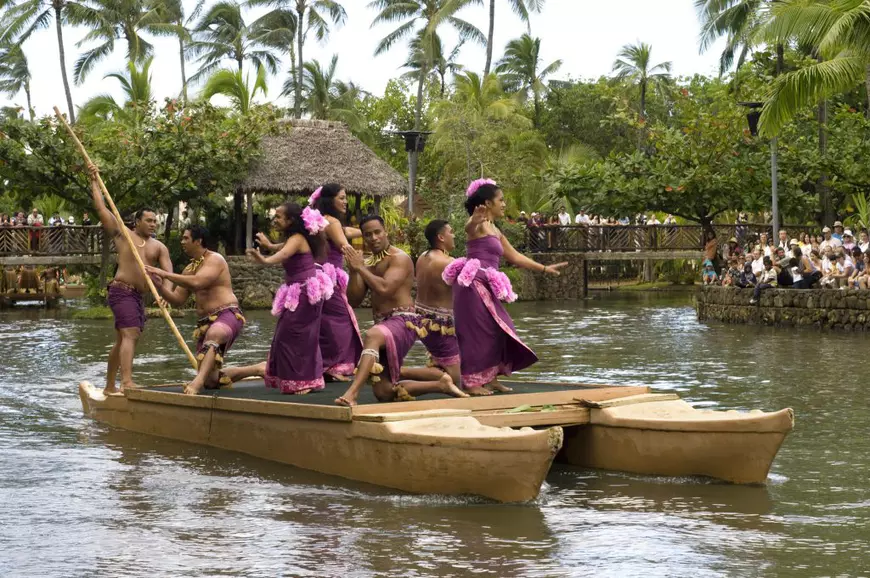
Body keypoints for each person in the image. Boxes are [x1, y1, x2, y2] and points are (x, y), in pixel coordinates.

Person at [445, 178, 566, 396]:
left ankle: (490, 378)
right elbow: (468, 228)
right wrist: (474, 219)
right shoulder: (478, 225)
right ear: (487, 203)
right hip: (472, 285)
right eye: (500, 200)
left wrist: (544, 268)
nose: (504, 204)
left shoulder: (495, 230)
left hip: (487, 286)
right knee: (478, 334)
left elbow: (515, 257)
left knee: (501, 330)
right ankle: (472, 382)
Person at [335, 215, 466, 407]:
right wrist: (355, 271)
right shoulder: (368, 264)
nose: (373, 238)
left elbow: (386, 288)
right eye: (368, 235)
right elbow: (354, 300)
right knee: (384, 392)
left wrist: (361, 269)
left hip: (404, 320)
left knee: (372, 335)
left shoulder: (400, 258)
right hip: (383, 324)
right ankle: (440, 385)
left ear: (385, 231)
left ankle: (352, 394)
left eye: (377, 232)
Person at [223, 203, 334, 394]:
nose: (275, 220)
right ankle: (303, 379)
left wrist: (264, 259)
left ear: (291, 221)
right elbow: (281, 247)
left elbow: (282, 254)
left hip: (305, 293)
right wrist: (268, 246)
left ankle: (303, 381)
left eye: (279, 217)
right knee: (292, 336)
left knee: (294, 336)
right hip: (300, 291)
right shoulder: (294, 238)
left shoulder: (298, 238)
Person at [86, 163, 172, 395]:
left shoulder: (159, 247)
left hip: (138, 296)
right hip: (121, 290)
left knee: (123, 338)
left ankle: (109, 385)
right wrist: (94, 181)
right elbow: (102, 210)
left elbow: (169, 275)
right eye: (149, 220)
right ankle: (126, 383)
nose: (153, 224)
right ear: (138, 222)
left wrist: (168, 297)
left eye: (155, 221)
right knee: (130, 333)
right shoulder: (124, 235)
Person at [145, 226, 245, 395]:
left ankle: (196, 383)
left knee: (215, 334)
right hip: (205, 323)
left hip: (227, 315)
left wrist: (165, 274)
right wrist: (160, 285)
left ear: (198, 241)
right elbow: (177, 300)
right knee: (211, 380)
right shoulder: (189, 269)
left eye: (185, 238)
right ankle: (258, 369)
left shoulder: (215, 259)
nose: (182, 242)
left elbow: (198, 282)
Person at [306, 183, 364, 381]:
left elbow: (344, 231)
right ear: (330, 200)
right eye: (342, 197)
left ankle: (324, 365)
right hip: (330, 278)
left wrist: (367, 230)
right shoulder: (333, 222)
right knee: (341, 321)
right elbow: (343, 244)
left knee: (323, 322)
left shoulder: (322, 220)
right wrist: (360, 263)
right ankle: (334, 365)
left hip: (317, 277)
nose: (345, 202)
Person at [412, 220, 461, 386]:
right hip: (441, 324)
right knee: (456, 379)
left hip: (421, 319)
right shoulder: (448, 263)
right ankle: (398, 372)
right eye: (451, 231)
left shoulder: (422, 257)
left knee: (441, 363)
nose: (454, 235)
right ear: (441, 237)